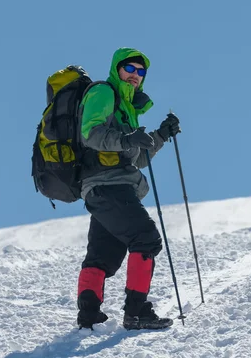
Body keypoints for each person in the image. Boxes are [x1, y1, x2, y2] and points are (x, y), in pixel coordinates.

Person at [76, 47, 181, 330]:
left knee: (102, 255)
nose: (135, 75)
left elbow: (136, 159)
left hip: (106, 187)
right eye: (130, 69)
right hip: (109, 186)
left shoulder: (127, 107)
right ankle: (137, 313)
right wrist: (127, 139)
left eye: (141, 71)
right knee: (146, 239)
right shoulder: (104, 93)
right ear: (117, 70)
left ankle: (88, 316)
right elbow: (91, 134)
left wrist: (159, 135)